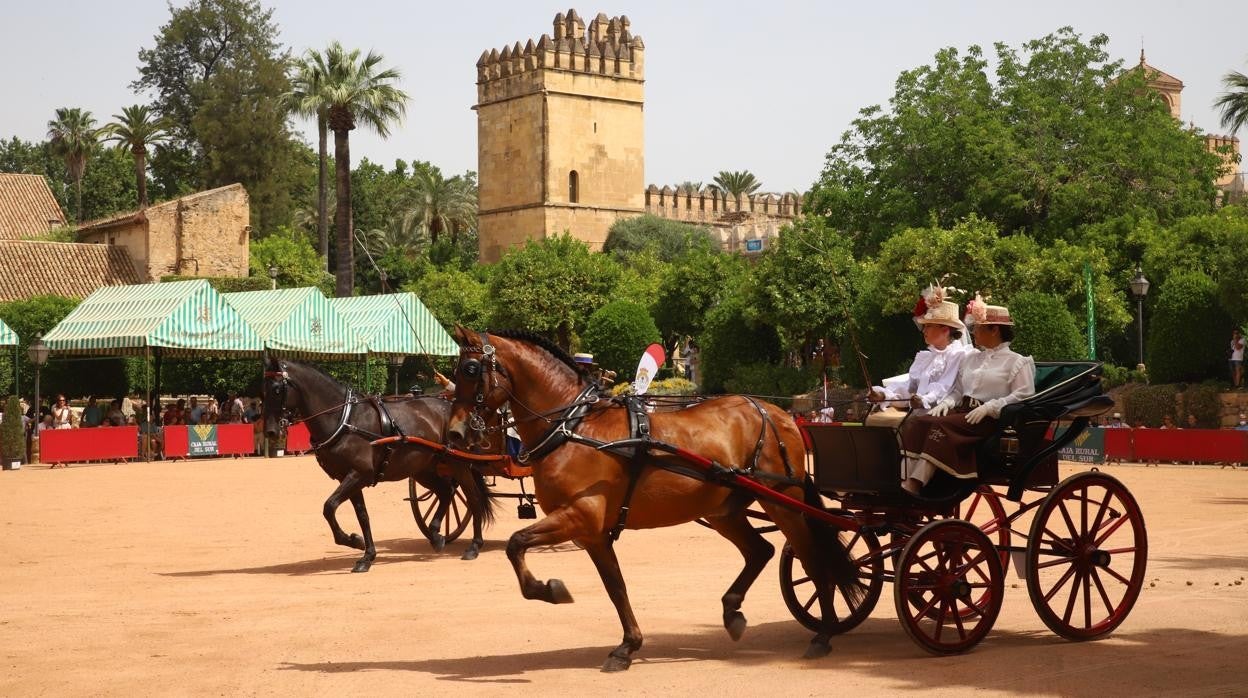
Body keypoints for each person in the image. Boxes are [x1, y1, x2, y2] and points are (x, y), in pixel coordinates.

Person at [899, 296, 1035, 496]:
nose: (973, 333)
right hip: (962, 412)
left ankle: (916, 483)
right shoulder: (972, 359)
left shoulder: (1017, 362)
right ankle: (902, 477)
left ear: (994, 330)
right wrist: (947, 402)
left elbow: (1024, 395)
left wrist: (991, 407)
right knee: (921, 421)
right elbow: (959, 390)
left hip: (988, 421)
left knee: (940, 427)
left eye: (978, 328)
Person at [867, 283, 972, 422]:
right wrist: (884, 395)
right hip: (920, 418)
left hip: (941, 419)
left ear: (945, 330)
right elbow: (909, 389)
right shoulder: (927, 358)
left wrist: (923, 400)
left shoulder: (960, 356)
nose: (924, 331)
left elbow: (946, 390)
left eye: (928, 326)